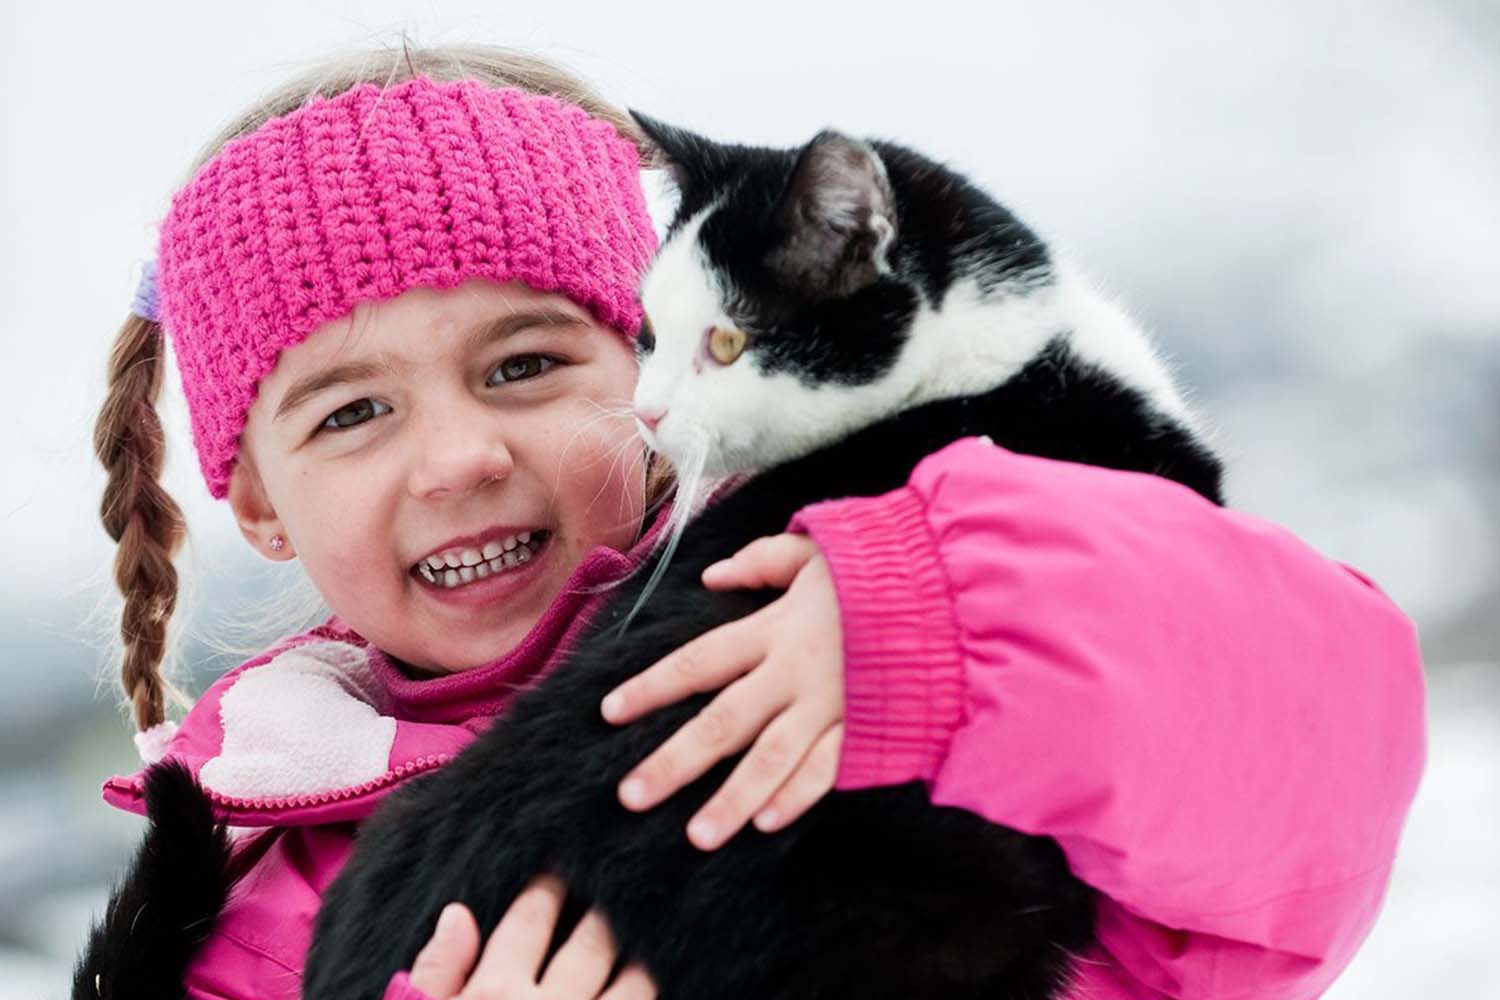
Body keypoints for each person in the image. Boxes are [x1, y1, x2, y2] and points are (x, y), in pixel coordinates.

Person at [91, 44, 1427, 1000]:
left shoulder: (888, 590)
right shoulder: (233, 924)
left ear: (662, 369)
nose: (459, 457)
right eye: (350, 415)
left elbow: (1324, 749)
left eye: (526, 366)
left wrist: (955, 626)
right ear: (256, 501)